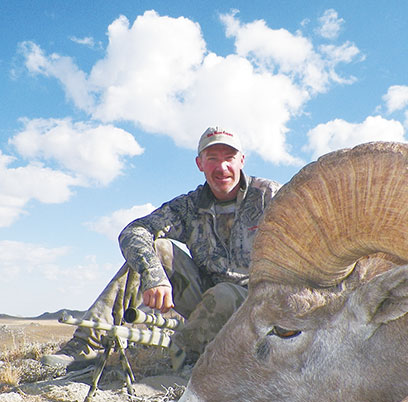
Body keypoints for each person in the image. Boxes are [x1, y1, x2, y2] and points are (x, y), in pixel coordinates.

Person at [41, 126, 281, 370]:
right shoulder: (189, 206)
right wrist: (153, 276)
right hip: (207, 301)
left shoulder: (270, 196)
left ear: (242, 160)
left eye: (229, 158)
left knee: (225, 294)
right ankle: (85, 345)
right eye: (212, 159)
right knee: (156, 248)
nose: (222, 168)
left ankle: (186, 356)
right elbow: (134, 231)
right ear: (200, 164)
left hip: (260, 304)